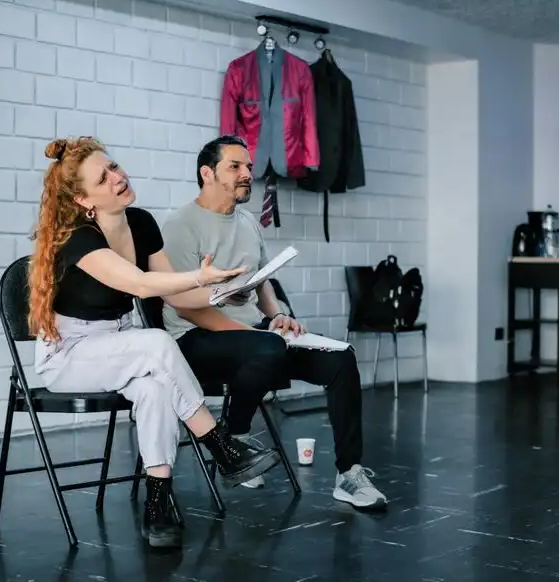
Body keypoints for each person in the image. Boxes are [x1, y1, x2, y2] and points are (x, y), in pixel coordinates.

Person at [27, 136, 282, 549]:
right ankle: (221, 447)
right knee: (158, 344)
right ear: (82, 198)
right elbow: (141, 284)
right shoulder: (79, 237)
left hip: (121, 343)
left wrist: (220, 290)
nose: (117, 176)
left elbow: (176, 297)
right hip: (70, 356)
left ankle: (157, 505)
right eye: (103, 176)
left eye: (114, 166)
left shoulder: (141, 223)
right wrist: (201, 276)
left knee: (156, 387)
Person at [159, 135, 388, 511]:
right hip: (195, 337)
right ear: (207, 173)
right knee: (267, 347)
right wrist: (253, 333)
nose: (247, 173)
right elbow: (183, 304)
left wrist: (277, 313)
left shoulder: (248, 221)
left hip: (256, 341)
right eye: (235, 167)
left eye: (248, 166)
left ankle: (349, 473)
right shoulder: (180, 224)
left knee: (342, 359)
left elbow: (261, 279)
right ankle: (233, 439)